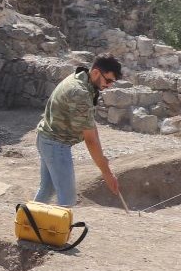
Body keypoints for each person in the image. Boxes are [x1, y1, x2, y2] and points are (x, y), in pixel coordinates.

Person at [34, 55, 123, 206]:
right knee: (67, 200)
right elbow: (90, 140)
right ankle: (56, 229)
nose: (109, 86)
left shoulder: (82, 79)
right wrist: (106, 173)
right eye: (108, 81)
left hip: (46, 139)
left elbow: (91, 125)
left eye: (112, 82)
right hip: (56, 144)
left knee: (47, 190)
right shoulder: (80, 93)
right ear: (95, 73)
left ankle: (27, 225)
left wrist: (102, 159)